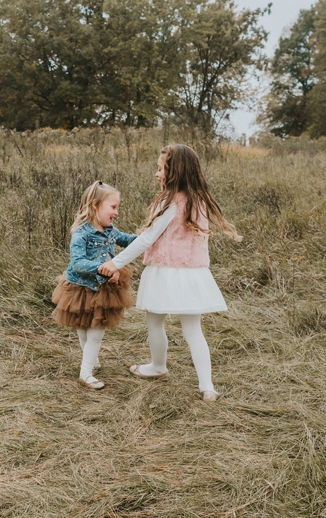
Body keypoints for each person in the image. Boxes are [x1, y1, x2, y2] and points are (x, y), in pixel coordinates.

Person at [98, 144, 241, 401]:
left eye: (160, 168)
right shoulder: (199, 200)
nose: (156, 174)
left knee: (154, 321)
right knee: (193, 329)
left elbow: (146, 239)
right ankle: (207, 386)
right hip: (192, 272)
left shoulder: (170, 201)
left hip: (166, 271)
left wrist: (115, 263)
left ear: (173, 172)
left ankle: (157, 366)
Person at [52, 181, 137, 390]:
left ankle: (87, 368)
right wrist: (106, 267)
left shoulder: (110, 230)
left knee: (96, 331)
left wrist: (148, 238)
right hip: (80, 287)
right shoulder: (82, 233)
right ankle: (87, 371)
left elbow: (127, 240)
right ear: (95, 205)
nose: (116, 212)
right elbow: (79, 263)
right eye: (113, 207)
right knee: (83, 328)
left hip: (102, 289)